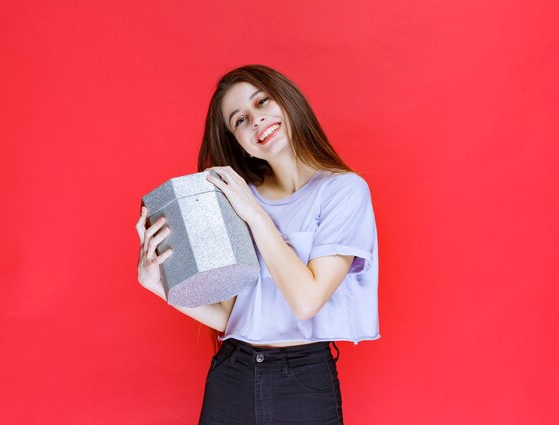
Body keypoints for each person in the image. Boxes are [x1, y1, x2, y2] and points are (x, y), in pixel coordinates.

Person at [135, 64, 379, 424]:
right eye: (239, 120)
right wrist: (158, 287)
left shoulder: (344, 191)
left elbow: (307, 300)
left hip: (302, 381)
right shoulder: (235, 197)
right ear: (237, 141)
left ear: (287, 100)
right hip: (232, 372)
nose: (256, 121)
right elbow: (232, 316)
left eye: (262, 101)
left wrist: (255, 215)